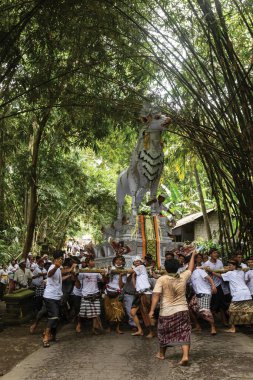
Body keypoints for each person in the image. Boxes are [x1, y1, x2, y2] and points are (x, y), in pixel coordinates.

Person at [149, 250, 197, 365]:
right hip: (182, 310)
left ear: (166, 268)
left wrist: (151, 310)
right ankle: (185, 356)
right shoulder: (183, 276)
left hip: (167, 311)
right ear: (178, 267)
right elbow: (190, 268)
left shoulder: (162, 279)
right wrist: (193, 256)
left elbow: (156, 295)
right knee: (184, 332)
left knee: (164, 332)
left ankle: (161, 354)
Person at [42, 250, 76, 347]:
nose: (62, 260)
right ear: (56, 259)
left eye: (62, 258)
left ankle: (53, 335)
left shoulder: (58, 268)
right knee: (54, 316)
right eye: (61, 258)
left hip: (57, 296)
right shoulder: (53, 267)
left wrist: (69, 273)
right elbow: (49, 274)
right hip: (50, 296)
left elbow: (60, 276)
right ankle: (46, 336)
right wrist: (57, 267)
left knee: (56, 317)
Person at [212, 259, 253, 333]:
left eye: (230, 265)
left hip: (238, 294)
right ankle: (248, 326)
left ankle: (233, 328)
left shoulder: (230, 273)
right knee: (249, 311)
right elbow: (244, 269)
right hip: (246, 293)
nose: (228, 266)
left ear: (234, 266)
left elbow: (220, 276)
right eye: (228, 265)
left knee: (230, 311)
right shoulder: (241, 272)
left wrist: (211, 272)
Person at [75, 257, 103, 334]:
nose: (93, 262)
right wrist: (75, 275)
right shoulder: (83, 271)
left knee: (95, 312)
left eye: (93, 260)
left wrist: (104, 274)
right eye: (91, 261)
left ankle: (94, 328)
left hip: (95, 293)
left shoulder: (97, 271)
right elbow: (78, 282)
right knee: (82, 313)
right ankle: (79, 325)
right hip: (86, 294)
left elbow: (102, 280)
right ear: (87, 263)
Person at [189, 261, 217, 335]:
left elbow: (209, 278)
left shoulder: (199, 271)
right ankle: (197, 326)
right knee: (190, 308)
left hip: (205, 293)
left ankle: (213, 327)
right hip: (197, 294)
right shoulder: (189, 274)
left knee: (205, 312)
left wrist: (213, 286)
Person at [130, 256, 154, 338]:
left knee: (145, 313)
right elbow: (135, 286)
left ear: (141, 262)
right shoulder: (137, 272)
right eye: (135, 262)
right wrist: (133, 276)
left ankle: (151, 332)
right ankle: (140, 330)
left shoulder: (141, 267)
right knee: (132, 312)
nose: (137, 262)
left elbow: (130, 270)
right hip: (139, 293)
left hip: (145, 293)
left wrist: (131, 270)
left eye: (138, 261)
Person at [202, 248, 228, 324]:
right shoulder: (206, 264)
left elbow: (222, 273)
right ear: (210, 254)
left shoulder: (220, 262)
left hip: (219, 285)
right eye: (214, 253)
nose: (216, 254)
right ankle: (211, 323)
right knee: (213, 305)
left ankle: (224, 321)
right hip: (210, 286)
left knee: (222, 304)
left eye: (217, 253)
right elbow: (204, 276)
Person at [104, 256, 126, 334]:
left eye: (120, 260)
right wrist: (106, 273)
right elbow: (105, 280)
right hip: (108, 291)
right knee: (108, 311)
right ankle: (109, 327)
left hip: (117, 293)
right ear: (114, 261)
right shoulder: (110, 268)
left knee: (118, 312)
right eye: (117, 260)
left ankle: (117, 328)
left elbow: (121, 286)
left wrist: (120, 275)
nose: (118, 261)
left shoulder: (124, 271)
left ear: (123, 262)